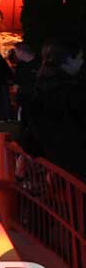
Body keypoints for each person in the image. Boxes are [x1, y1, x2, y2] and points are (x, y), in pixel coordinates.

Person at [18, 41, 86, 178]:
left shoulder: (34, 90)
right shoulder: (72, 92)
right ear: (68, 60)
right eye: (80, 58)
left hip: (54, 162)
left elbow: (28, 129)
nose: (82, 62)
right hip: (76, 162)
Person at [13, 42, 41, 124]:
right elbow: (16, 80)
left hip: (37, 99)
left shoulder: (39, 63)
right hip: (24, 100)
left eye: (16, 51)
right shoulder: (20, 65)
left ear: (21, 51)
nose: (15, 54)